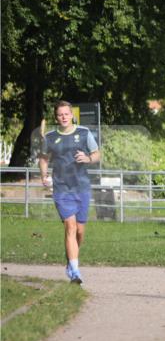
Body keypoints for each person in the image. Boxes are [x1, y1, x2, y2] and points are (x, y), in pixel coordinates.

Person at [38, 101, 101, 284]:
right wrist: (44, 176)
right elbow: (43, 159)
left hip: (81, 187)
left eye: (66, 114)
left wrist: (88, 158)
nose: (64, 117)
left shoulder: (83, 133)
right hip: (61, 188)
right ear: (56, 117)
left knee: (80, 231)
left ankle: (70, 261)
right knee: (70, 226)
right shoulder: (50, 138)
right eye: (60, 114)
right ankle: (75, 272)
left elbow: (97, 153)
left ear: (72, 115)